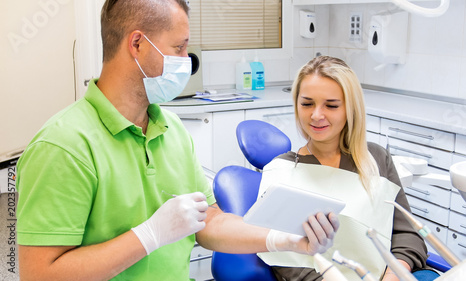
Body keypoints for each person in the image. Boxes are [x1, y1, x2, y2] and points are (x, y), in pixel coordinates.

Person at [15, 1, 339, 280]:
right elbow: (40, 274)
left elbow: (208, 221)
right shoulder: (64, 145)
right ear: (137, 44)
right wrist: (148, 236)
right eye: (179, 48)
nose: (187, 59)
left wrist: (285, 240)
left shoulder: (170, 127)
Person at [256, 56, 441, 281]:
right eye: (307, 103)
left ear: (350, 109)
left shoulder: (377, 159)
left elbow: (407, 234)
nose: (316, 115)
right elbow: (285, 261)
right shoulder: (282, 171)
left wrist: (392, 275)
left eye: (331, 105)